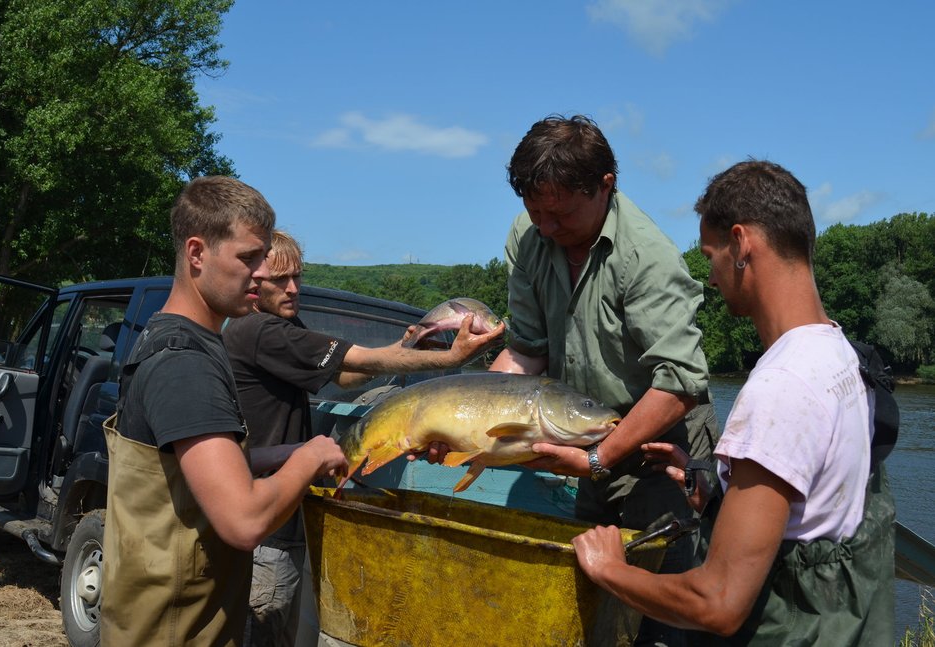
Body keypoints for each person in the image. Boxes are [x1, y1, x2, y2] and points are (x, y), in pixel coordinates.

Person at [571, 160, 896, 644]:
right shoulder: (843, 356)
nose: (710, 276)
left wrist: (611, 570)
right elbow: (818, 513)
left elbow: (718, 602)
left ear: (742, 244)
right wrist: (719, 489)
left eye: (710, 254)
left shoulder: (782, 387)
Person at [468, 114, 718, 646]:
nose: (546, 229)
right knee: (591, 602)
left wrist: (598, 460)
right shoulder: (530, 235)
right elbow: (526, 352)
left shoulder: (647, 259)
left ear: (606, 185)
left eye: (560, 214)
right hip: (580, 432)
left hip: (659, 447)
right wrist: (463, 426)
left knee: (657, 611)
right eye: (535, 212)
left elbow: (679, 383)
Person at [222, 230, 506, 647]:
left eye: (298, 277)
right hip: (266, 524)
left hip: (280, 510)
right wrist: (449, 357)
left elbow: (345, 373)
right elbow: (361, 359)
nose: (293, 289)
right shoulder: (261, 330)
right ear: (253, 279)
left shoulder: (279, 325)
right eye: (280, 280)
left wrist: (408, 344)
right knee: (263, 632)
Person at [100, 176, 348, 645]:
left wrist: (292, 450)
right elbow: (243, 521)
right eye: (248, 257)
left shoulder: (182, 341)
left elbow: (193, 471)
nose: (260, 273)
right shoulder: (184, 365)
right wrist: (309, 459)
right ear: (197, 253)